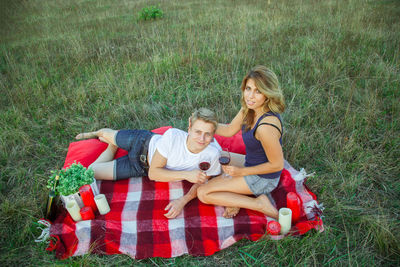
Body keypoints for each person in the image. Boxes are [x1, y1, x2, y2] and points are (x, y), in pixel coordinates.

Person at [76, 108, 222, 219]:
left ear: (213, 133)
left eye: (208, 134)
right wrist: (187, 174)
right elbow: (155, 173)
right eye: (198, 132)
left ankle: (112, 146)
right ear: (189, 126)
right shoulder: (173, 136)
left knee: (91, 170)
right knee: (104, 134)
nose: (202, 139)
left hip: (140, 168)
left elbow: (205, 180)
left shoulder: (213, 154)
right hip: (141, 142)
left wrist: (182, 201)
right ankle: (97, 134)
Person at [197, 66, 285, 219]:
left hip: (263, 178)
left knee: (203, 193)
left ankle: (260, 204)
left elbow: (277, 165)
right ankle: (236, 196)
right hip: (250, 163)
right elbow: (229, 130)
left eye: (258, 91)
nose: (250, 96)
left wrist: (241, 173)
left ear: (268, 93)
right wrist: (203, 124)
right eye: (248, 88)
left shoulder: (266, 127)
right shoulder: (250, 108)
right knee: (219, 155)